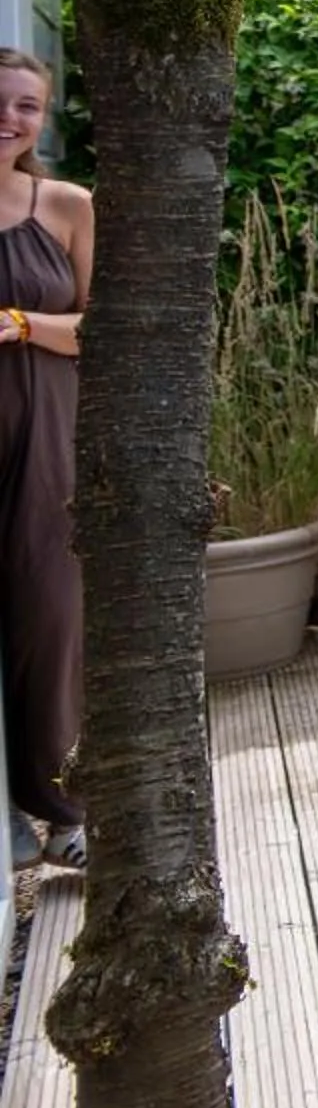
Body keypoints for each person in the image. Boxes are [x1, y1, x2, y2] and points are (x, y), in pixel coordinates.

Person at [0, 48, 88, 868]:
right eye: (1, 101)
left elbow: (102, 328)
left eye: (27, 106)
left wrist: (23, 325)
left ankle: (63, 811)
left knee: (49, 617)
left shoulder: (65, 205)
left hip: (42, 441)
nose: (11, 117)